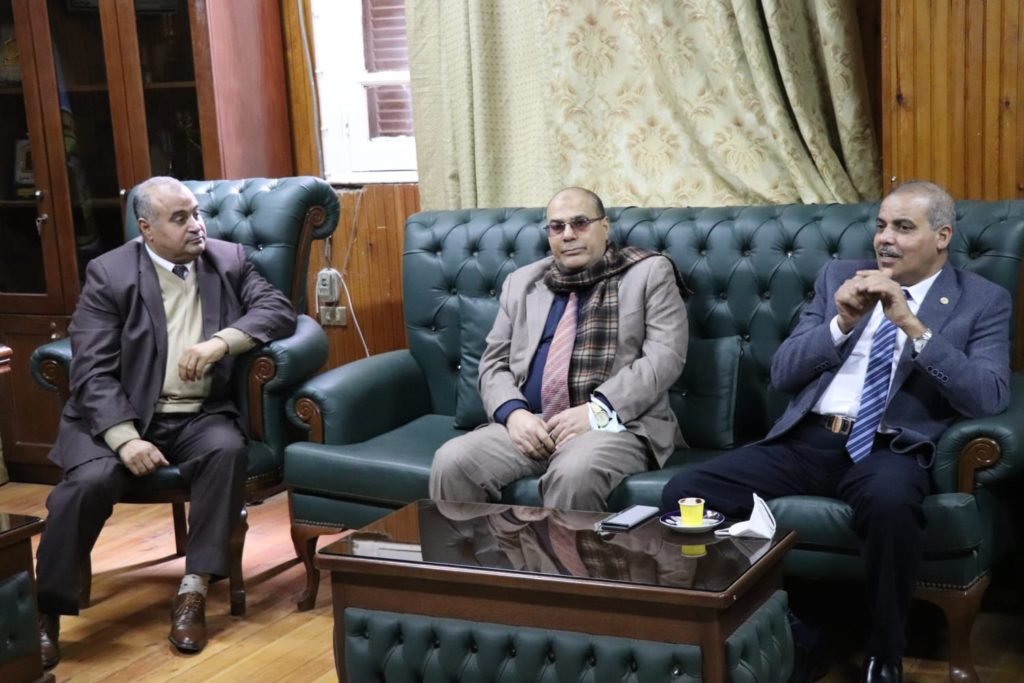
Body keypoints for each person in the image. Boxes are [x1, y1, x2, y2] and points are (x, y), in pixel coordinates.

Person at [661, 181, 1011, 683]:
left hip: (890, 447)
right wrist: (841, 323)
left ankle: (884, 655)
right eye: (881, 226)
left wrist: (913, 326)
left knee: (891, 505)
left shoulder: (982, 299)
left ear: (942, 236)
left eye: (903, 227)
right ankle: (793, 631)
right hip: (810, 439)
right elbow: (784, 373)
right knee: (685, 492)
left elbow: (988, 396)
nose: (885, 238)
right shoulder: (840, 278)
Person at [34, 176, 298, 667]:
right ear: (146, 228)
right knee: (87, 484)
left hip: (197, 414)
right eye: (180, 218)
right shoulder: (110, 273)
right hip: (118, 417)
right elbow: (91, 370)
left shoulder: (228, 260)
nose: (197, 225)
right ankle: (45, 611)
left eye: (196, 213)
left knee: (226, 451)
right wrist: (124, 439)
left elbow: (277, 310)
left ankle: (193, 591)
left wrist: (221, 342)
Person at [430, 187, 688, 511]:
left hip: (615, 424)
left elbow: (665, 357)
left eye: (580, 223)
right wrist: (514, 414)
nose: (568, 235)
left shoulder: (649, 273)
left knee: (574, 473)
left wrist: (597, 411)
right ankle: (483, 548)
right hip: (534, 423)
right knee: (452, 461)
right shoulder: (522, 282)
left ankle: (555, 550)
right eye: (557, 226)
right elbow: (493, 364)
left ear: (604, 226)